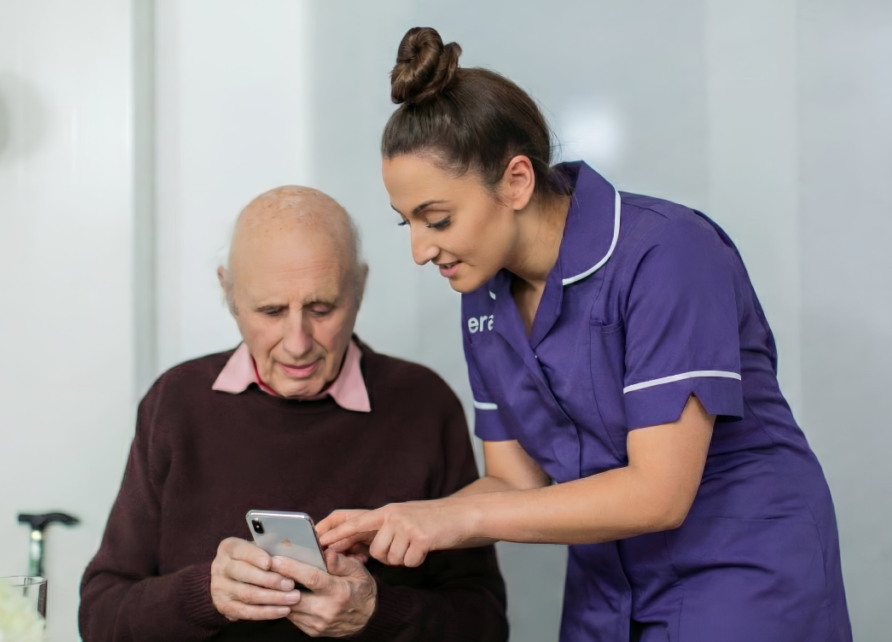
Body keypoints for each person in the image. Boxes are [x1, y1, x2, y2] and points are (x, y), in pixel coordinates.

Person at [319, 27, 852, 642]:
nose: (418, 250)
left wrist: (456, 519)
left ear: (517, 181)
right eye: (406, 222)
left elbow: (659, 494)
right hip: (607, 581)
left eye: (436, 219)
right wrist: (403, 521)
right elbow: (516, 482)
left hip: (740, 572)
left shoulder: (669, 254)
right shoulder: (483, 294)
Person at [79, 186, 508, 642]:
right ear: (229, 292)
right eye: (270, 311)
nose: (298, 343)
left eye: (322, 308)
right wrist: (204, 594)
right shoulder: (175, 401)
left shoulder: (424, 405)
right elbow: (100, 616)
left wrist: (376, 613)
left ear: (359, 287)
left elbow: (484, 624)